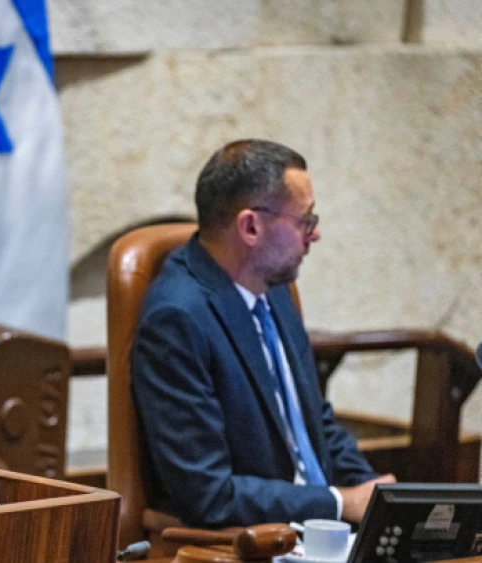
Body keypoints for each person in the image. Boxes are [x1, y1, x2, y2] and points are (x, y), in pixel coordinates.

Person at [131, 139, 394, 529]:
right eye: (305, 220)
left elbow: (313, 422)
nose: (314, 235)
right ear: (251, 226)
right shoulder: (176, 319)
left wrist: (376, 492)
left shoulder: (273, 291)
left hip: (322, 534)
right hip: (250, 544)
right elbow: (209, 494)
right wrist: (339, 502)